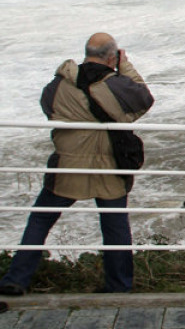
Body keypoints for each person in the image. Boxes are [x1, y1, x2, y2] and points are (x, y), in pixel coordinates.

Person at [0, 33, 154, 296]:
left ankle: (16, 279)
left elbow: (48, 108)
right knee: (115, 226)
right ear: (111, 57)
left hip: (68, 166)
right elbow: (143, 98)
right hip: (108, 167)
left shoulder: (57, 85)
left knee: (40, 220)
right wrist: (125, 66)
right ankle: (119, 287)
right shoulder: (116, 86)